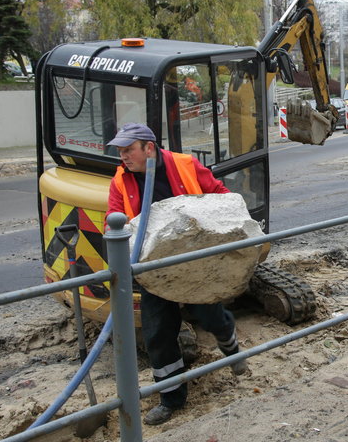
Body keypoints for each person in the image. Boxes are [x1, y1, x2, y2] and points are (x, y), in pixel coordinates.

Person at [106, 123, 248, 426]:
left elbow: (222, 197)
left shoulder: (185, 166)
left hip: (195, 264)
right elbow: (113, 221)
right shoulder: (120, 180)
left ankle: (229, 342)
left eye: (128, 149)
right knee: (157, 334)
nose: (123, 156)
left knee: (210, 318)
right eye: (119, 151)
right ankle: (171, 397)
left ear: (149, 147)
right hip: (154, 271)